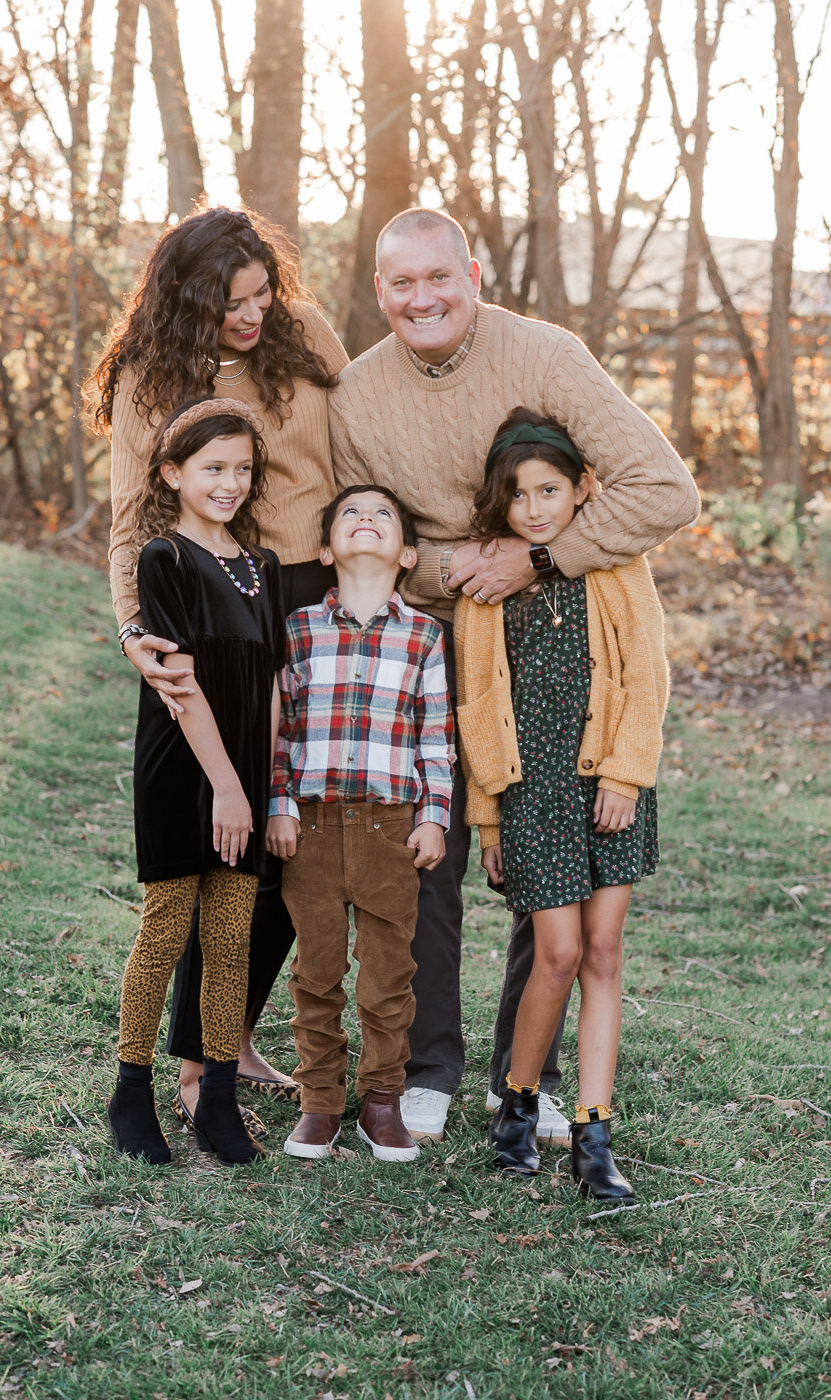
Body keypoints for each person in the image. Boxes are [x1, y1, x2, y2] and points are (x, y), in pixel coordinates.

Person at [328, 207, 699, 1143]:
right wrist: (455, 566)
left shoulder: (546, 355)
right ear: (380, 292)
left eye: (438, 278)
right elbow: (365, 530)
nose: (422, 298)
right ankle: (427, 1068)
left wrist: (534, 560)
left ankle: (515, 1077)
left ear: (474, 274)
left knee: (549, 872)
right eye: (401, 283)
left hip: (558, 646)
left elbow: (667, 490)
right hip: (430, 648)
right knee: (432, 860)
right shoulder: (357, 397)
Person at [88, 204, 348, 1122]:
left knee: (297, 830)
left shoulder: (305, 332)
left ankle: (223, 1035)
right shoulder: (148, 376)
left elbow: (354, 448)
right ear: (188, 300)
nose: (254, 313)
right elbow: (130, 522)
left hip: (316, 590)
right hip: (205, 601)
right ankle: (202, 1064)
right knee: (222, 834)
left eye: (262, 291)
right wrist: (136, 636)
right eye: (232, 302)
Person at [455, 409, 668, 1198]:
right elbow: (477, 708)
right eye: (517, 495)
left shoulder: (616, 563)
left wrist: (624, 775)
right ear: (499, 503)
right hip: (532, 793)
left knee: (605, 954)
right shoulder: (487, 587)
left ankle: (594, 1134)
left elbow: (647, 675)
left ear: (582, 488)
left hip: (613, 784)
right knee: (558, 953)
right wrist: (485, 818)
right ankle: (516, 1100)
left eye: (550, 488)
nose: (535, 507)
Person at [107, 398, 286, 1167]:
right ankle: (131, 1091)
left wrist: (263, 786)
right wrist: (226, 788)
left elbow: (274, 681)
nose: (231, 482)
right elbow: (177, 684)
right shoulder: (165, 560)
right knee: (167, 928)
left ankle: (216, 1096)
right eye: (214, 468)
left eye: (243, 469)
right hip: (186, 772)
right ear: (173, 473)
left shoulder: (261, 567)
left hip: (244, 776)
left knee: (230, 939)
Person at [265, 485, 454, 1162]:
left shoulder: (426, 636)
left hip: (388, 828)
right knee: (315, 974)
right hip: (310, 826)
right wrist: (280, 806)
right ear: (324, 549)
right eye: (351, 513)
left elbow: (435, 740)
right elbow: (281, 734)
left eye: (383, 515)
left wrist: (434, 819)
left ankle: (381, 1102)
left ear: (407, 553)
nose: (366, 520)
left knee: (386, 976)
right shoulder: (297, 631)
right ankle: (319, 1102)